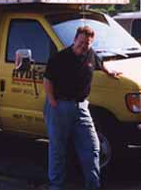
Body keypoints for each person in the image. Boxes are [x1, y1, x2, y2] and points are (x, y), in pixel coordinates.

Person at [43, 26, 121, 190]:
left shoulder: (91, 55)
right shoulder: (60, 58)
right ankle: (56, 186)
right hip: (59, 106)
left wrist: (109, 71)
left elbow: (100, 64)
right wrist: (53, 102)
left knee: (93, 147)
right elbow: (47, 80)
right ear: (74, 40)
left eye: (86, 43)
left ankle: (93, 185)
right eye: (80, 42)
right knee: (58, 149)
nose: (83, 46)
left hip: (82, 107)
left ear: (91, 43)